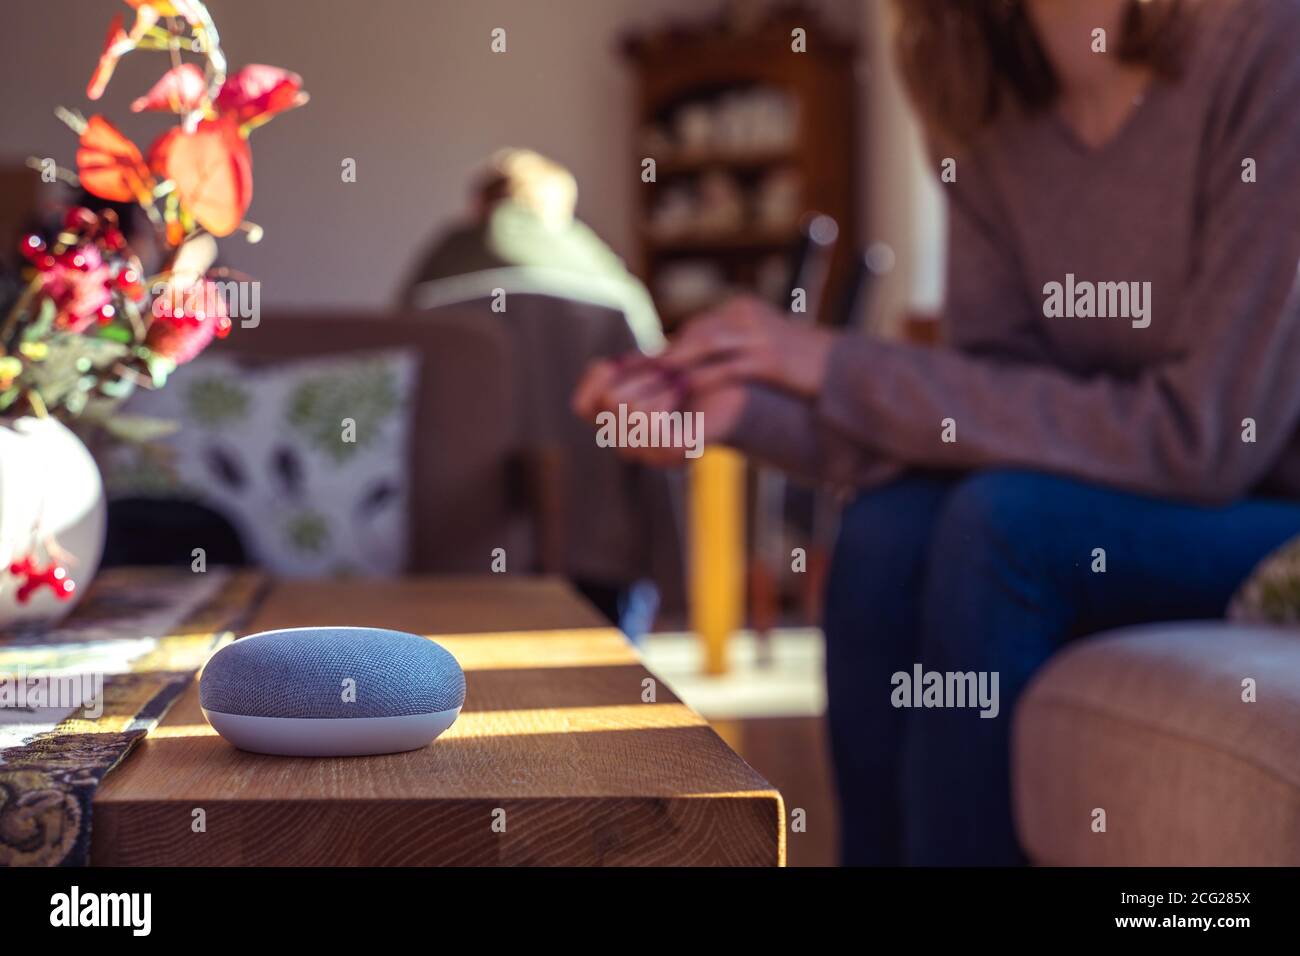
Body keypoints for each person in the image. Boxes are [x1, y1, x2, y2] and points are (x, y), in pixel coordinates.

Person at [573, 0, 1300, 865]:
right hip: (1108, 500)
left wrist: (835, 365)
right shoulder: (982, 91)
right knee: (888, 531)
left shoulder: (1269, 43)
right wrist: (739, 412)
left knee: (999, 527)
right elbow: (982, 415)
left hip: (1269, 516)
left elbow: (1205, 437)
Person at [398, 148, 663, 352]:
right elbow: (649, 349)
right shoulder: (592, 257)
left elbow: (394, 345)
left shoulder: (450, 248)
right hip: (586, 418)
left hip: (460, 418)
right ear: (561, 209)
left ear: (478, 204)